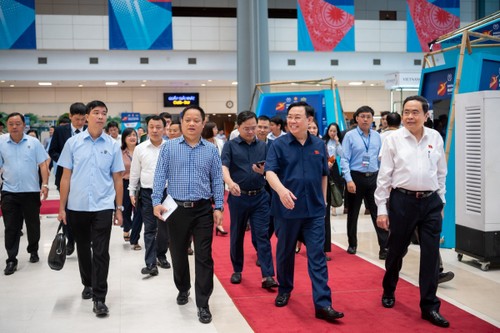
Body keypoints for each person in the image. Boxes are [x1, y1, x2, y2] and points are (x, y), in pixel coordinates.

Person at [265, 101, 344, 323]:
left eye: (297, 117)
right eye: (289, 116)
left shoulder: (319, 144)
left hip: (314, 212)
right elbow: (270, 173)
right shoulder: (278, 145)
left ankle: (323, 303)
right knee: (285, 252)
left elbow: (323, 175)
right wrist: (281, 192)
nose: (292, 121)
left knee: (317, 255)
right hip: (286, 210)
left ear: (309, 120)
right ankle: (285, 289)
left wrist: (324, 202)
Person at [375, 95, 449, 328]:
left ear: (426, 115)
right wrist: (381, 209)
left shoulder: (435, 137)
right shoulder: (393, 139)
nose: (409, 116)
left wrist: (441, 201)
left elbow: (441, 173)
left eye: (415, 112)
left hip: (430, 203)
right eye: (406, 111)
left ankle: (429, 306)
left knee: (430, 254)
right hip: (402, 201)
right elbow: (384, 176)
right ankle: (389, 288)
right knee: (396, 250)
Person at [152, 105, 224, 324]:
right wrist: (156, 201)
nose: (192, 124)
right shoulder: (169, 148)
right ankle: (183, 288)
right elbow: (159, 175)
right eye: (188, 120)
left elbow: (217, 179)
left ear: (203, 123)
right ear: (180, 123)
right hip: (176, 209)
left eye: (196, 120)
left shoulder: (211, 150)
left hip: (203, 209)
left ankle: (203, 303)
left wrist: (218, 206)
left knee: (204, 256)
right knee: (178, 253)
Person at [57, 100, 125, 317]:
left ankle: (100, 297)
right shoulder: (73, 143)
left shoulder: (113, 145)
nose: (101, 116)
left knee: (101, 251)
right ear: (86, 117)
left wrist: (119, 208)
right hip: (77, 206)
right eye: (96, 113)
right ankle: (87, 282)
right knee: (83, 248)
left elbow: (117, 180)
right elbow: (65, 178)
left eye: (104, 113)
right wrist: (61, 208)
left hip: (103, 205)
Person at [222, 111, 278, 289]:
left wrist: (264, 172)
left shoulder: (264, 146)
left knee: (262, 235)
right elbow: (223, 167)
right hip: (239, 198)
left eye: (254, 128)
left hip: (260, 197)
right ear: (238, 127)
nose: (251, 131)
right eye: (247, 128)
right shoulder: (230, 146)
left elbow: (271, 169)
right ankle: (237, 270)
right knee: (237, 235)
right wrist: (230, 183)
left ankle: (267, 275)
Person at [0, 112, 49, 275]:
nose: (14, 127)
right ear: (7, 126)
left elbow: (43, 164)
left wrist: (45, 184)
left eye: (18, 123)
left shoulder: (33, 143)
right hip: (9, 191)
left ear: (24, 125)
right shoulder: (1, 142)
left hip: (31, 191)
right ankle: (11, 259)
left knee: (33, 224)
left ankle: (33, 249)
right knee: (11, 227)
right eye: (11, 124)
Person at [340, 105, 388, 259]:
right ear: (357, 118)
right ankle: (352, 244)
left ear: (372, 119)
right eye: (362, 116)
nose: (366, 119)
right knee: (353, 213)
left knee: (377, 212)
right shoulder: (350, 136)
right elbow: (344, 159)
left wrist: (382, 179)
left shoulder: (377, 136)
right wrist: (348, 180)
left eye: (368, 116)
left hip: (373, 178)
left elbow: (380, 159)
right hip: (356, 177)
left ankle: (384, 247)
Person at [129, 115, 170, 276]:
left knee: (165, 228)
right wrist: (132, 191)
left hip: (168, 193)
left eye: (158, 127)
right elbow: (135, 172)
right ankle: (151, 263)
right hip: (147, 192)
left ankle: (161, 255)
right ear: (147, 128)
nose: (155, 130)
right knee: (150, 228)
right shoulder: (140, 148)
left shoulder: (170, 147)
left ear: (164, 128)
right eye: (151, 127)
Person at [48, 102, 87, 256]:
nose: (80, 123)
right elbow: (53, 151)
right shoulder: (60, 131)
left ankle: (84, 239)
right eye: (77, 119)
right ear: (70, 116)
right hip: (65, 177)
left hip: (84, 178)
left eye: (83, 119)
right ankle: (70, 240)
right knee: (68, 210)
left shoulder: (89, 131)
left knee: (83, 210)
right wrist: (67, 162)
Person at [120, 128, 140, 242]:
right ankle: (127, 228)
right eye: (129, 136)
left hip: (139, 183)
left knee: (138, 210)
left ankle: (134, 234)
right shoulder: (119, 152)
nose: (132, 138)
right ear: (124, 139)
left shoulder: (142, 149)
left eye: (134, 135)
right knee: (126, 208)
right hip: (124, 182)